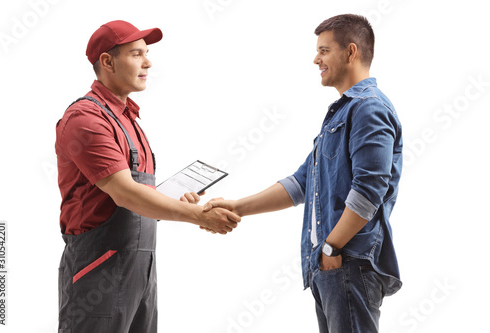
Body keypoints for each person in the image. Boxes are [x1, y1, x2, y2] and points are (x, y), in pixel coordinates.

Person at [203, 14, 403, 333]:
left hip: (348, 261)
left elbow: (370, 190)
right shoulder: (344, 113)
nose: (316, 59)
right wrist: (236, 207)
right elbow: (300, 184)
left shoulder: (369, 109)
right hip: (330, 267)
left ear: (350, 52)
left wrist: (332, 247)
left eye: (324, 50)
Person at [55, 20, 241, 333]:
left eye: (147, 53)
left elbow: (133, 195)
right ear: (108, 61)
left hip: (141, 269)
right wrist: (196, 215)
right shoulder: (86, 119)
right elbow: (125, 193)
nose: (148, 62)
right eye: (137, 53)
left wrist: (171, 199)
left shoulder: (128, 118)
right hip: (97, 268)